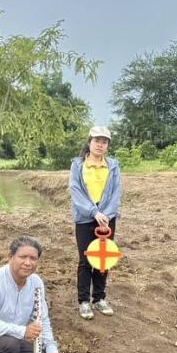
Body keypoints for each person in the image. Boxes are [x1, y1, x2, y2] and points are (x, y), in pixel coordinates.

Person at [68, 125, 122, 320]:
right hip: (84, 218)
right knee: (85, 260)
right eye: (97, 140)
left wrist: (106, 214)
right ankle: (84, 301)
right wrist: (93, 212)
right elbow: (75, 191)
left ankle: (99, 298)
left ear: (108, 145)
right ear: (89, 142)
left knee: (103, 259)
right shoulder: (77, 165)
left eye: (104, 141)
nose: (100, 144)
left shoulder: (113, 166)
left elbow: (116, 193)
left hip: (108, 219)